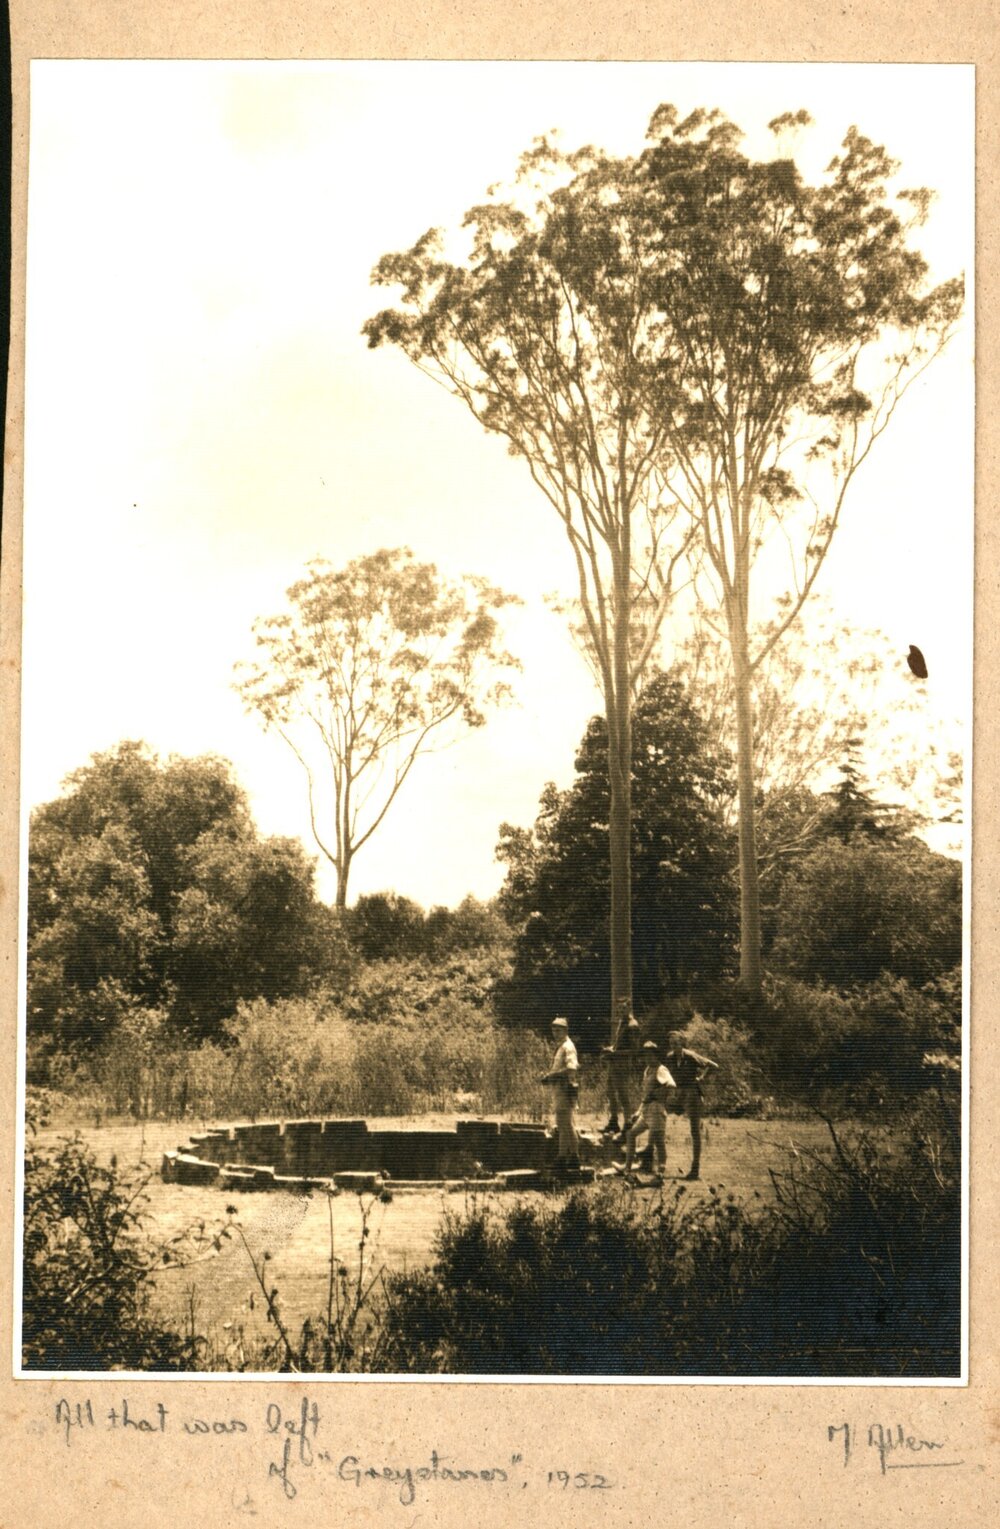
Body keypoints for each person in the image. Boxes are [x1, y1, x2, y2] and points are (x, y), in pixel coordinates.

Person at [614, 1040, 674, 1182]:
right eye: (645, 1055)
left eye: (650, 1055)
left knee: (659, 1142)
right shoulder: (647, 1070)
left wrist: (657, 1093)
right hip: (646, 1111)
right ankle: (627, 1168)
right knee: (630, 1134)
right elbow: (646, 1096)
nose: (647, 1058)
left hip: (657, 1110)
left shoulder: (661, 1069)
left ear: (655, 1055)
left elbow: (671, 1084)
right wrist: (638, 1111)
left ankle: (660, 1172)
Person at [664, 1029, 719, 1180]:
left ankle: (695, 1169)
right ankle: (650, 1157)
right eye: (671, 1044)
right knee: (656, 1115)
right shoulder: (669, 1058)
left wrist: (701, 1078)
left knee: (694, 1131)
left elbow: (713, 1066)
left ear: (682, 1043)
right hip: (678, 1094)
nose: (674, 1046)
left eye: (676, 1043)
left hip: (692, 1093)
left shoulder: (691, 1056)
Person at [540, 1017, 580, 1171]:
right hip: (559, 1089)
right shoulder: (561, 1046)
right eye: (554, 1030)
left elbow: (572, 1069)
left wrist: (552, 1076)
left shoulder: (568, 1047)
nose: (555, 1033)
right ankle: (566, 1157)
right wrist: (550, 1077)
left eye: (559, 1030)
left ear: (565, 1030)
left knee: (566, 1124)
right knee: (564, 1125)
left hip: (565, 1089)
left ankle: (571, 1156)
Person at [600, 999, 640, 1136]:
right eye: (618, 1010)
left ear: (629, 1008)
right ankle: (613, 1122)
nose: (620, 1012)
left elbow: (634, 1050)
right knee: (610, 1092)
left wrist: (615, 1053)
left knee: (622, 1094)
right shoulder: (621, 1023)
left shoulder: (632, 1025)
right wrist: (609, 1050)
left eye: (623, 1009)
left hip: (623, 1065)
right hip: (614, 1063)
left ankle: (628, 1123)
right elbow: (619, 1046)